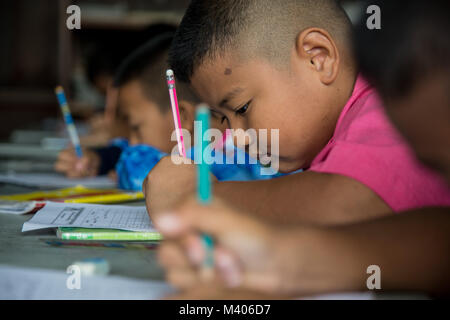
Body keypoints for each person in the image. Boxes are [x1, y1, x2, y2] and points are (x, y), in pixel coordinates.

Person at [153, 0, 450, 297]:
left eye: (241, 108)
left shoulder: (387, 107)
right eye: (224, 119)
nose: (238, 138)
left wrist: (200, 196)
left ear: (318, 57)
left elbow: (344, 206)